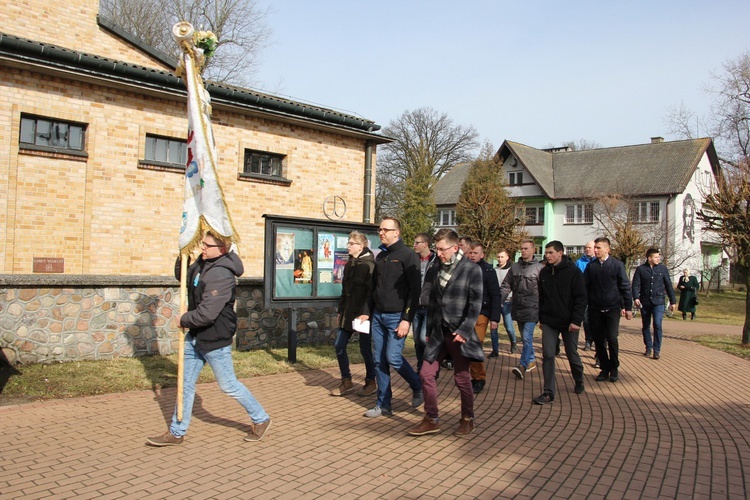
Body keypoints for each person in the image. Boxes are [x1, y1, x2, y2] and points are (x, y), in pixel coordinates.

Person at [147, 232, 271, 446]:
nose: (202, 248)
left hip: (215, 338)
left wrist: (183, 319)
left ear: (222, 249)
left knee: (228, 385)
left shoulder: (222, 274)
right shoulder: (203, 263)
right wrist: (182, 253)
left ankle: (261, 418)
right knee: (184, 384)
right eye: (202, 244)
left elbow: (207, 313)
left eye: (207, 245)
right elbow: (184, 276)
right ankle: (177, 432)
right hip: (195, 336)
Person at [407, 229, 483, 437]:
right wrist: (430, 330)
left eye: (442, 249)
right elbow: (433, 302)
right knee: (426, 373)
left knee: (461, 378)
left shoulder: (471, 269)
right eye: (436, 249)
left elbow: (475, 304)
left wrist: (465, 329)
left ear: (455, 248)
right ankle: (431, 418)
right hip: (439, 333)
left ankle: (467, 418)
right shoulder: (436, 268)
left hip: (459, 333)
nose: (438, 253)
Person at [361, 217, 423, 418]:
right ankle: (384, 404)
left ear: (397, 232)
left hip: (397, 317)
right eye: (380, 229)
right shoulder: (380, 257)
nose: (381, 232)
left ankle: (417, 385)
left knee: (393, 357)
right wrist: (366, 311)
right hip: (378, 316)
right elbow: (372, 289)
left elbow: (415, 291)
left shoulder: (408, 256)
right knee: (379, 361)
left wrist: (407, 319)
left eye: (385, 230)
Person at [533, 241, 587, 404]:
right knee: (548, 354)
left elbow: (581, 298)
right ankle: (548, 392)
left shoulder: (574, 272)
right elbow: (542, 298)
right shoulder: (544, 273)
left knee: (572, 354)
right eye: (546, 253)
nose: (547, 256)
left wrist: (576, 320)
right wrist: (542, 319)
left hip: (570, 322)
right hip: (549, 320)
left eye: (550, 253)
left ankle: (579, 379)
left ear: (560, 253)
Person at [331, 231, 377, 396]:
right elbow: (345, 291)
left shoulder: (370, 265)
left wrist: (366, 313)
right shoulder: (349, 264)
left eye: (351, 243)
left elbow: (371, 293)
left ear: (361, 246)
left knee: (365, 348)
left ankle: (371, 381)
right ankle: (346, 380)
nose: (348, 246)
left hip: (363, 315)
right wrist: (340, 310)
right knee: (339, 345)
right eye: (348, 243)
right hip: (348, 313)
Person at [583, 237, 633, 383]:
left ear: (607, 249)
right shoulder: (591, 266)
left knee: (612, 338)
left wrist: (628, 307)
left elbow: (624, 286)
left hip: (612, 308)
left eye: (598, 248)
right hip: (595, 308)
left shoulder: (617, 265)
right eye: (595, 248)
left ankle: (614, 367)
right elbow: (585, 287)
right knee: (598, 340)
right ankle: (604, 368)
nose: (596, 250)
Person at [500, 239, 543, 381]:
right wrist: (499, 301)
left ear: (533, 250)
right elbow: (506, 286)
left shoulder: (539, 268)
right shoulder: (515, 267)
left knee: (526, 336)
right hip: (518, 308)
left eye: (526, 248)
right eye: (522, 248)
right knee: (525, 339)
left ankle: (522, 365)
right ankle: (531, 359)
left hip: (532, 308)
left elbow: (544, 291)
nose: (523, 251)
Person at [466, 242, 501, 394]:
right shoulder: (463, 268)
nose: (472, 255)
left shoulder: (488, 271)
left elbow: (495, 294)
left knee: (475, 344)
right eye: (470, 253)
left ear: (482, 255)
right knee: (466, 345)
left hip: (481, 313)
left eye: (475, 253)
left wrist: (494, 319)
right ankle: (469, 375)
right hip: (465, 313)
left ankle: (479, 378)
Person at [632, 248, 677, 359]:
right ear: (649, 258)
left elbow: (668, 285)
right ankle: (648, 346)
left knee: (657, 324)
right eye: (656, 257)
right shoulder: (641, 269)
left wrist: (673, 301)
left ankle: (657, 350)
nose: (658, 259)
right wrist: (636, 297)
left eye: (659, 257)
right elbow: (636, 285)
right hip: (645, 301)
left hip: (659, 301)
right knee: (646, 325)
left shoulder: (662, 269)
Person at [412, 232, 438, 371]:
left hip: (429, 306)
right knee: (417, 340)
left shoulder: (436, 260)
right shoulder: (413, 259)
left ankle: (430, 364)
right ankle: (421, 365)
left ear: (425, 244)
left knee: (424, 338)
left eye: (417, 242)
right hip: (416, 306)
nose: (414, 245)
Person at [490, 249, 517, 357]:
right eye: (498, 257)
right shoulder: (494, 270)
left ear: (507, 257)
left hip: (507, 302)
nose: (500, 259)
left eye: (502, 257)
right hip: (495, 302)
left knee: (509, 326)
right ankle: (495, 350)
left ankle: (513, 342)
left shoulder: (511, 270)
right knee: (493, 327)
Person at [575, 241, 596, 352]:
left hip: (596, 295)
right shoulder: (579, 262)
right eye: (586, 247)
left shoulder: (597, 261)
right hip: (585, 294)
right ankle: (588, 340)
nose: (587, 249)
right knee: (586, 320)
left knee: (596, 321)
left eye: (590, 247)